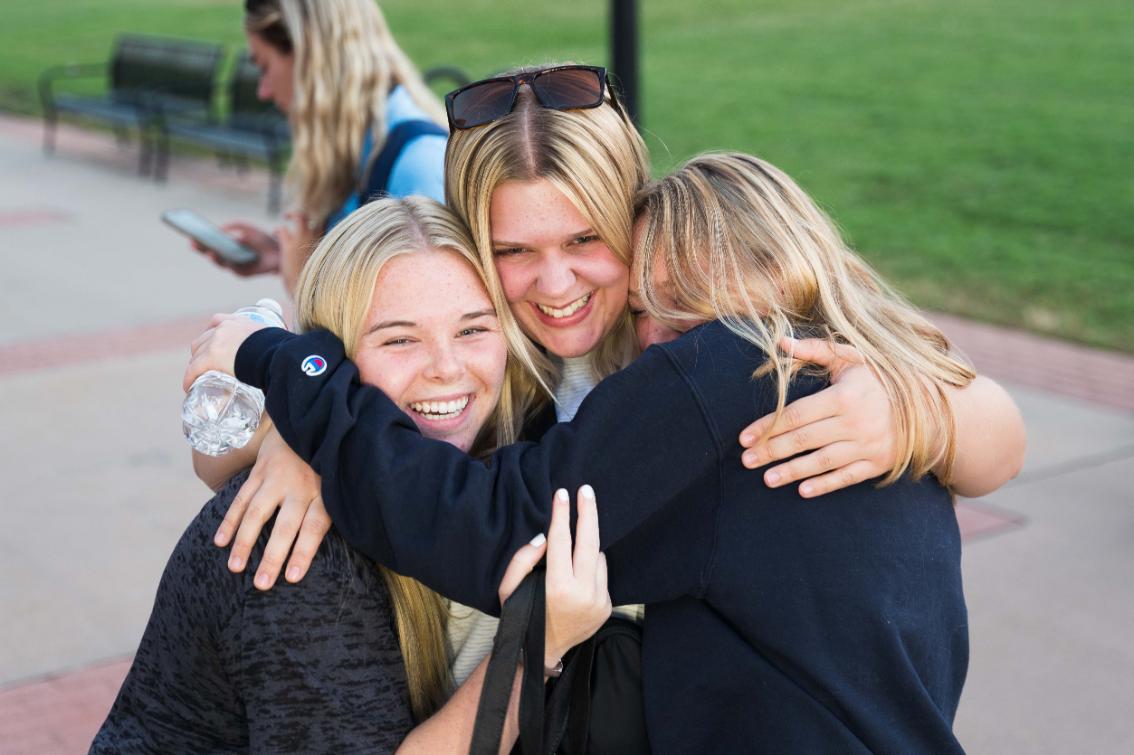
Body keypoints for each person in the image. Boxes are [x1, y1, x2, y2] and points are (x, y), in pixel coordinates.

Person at [188, 148, 1000, 751]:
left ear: (738, 267)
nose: (647, 339)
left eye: (664, 299)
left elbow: (488, 523)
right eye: (640, 305)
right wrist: (286, 438)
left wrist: (280, 360)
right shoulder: (861, 380)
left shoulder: (724, 368)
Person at [210, 64, 1024, 594]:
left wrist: (920, 413)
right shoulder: (489, 359)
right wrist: (294, 427)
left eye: (584, 240)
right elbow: (217, 459)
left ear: (631, 213)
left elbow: (1001, 437)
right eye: (513, 251)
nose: (556, 283)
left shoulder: (706, 336)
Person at [92, 197, 610, 753]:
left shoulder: (506, 458)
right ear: (333, 358)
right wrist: (535, 644)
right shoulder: (300, 548)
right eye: (399, 339)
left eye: (472, 330)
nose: (446, 368)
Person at [192, 0, 448, 296]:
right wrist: (282, 256)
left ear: (309, 58)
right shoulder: (362, 145)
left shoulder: (416, 162)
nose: (263, 91)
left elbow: (423, 328)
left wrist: (303, 284)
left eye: (264, 66)